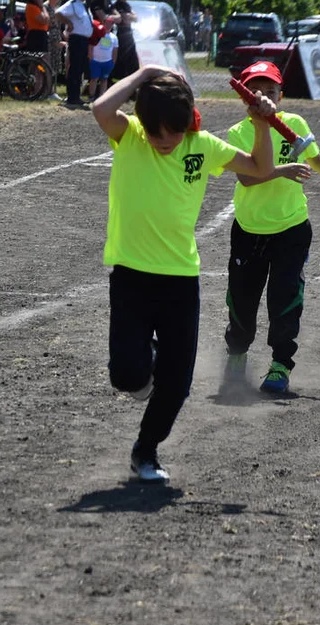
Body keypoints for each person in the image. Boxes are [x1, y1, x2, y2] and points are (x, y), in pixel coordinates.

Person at [90, 64, 281, 483]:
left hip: (180, 280)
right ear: (144, 123)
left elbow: (260, 169)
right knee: (127, 375)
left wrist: (262, 123)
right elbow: (100, 108)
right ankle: (149, 362)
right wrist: (143, 75)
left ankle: (146, 450)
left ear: (188, 123)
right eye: (157, 133)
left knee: (177, 385)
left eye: (173, 134)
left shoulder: (201, 144)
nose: (165, 142)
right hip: (131, 277)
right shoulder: (131, 136)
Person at [221, 60, 320, 394]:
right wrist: (282, 170)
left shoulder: (294, 123)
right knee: (241, 301)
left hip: (291, 230)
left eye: (271, 90)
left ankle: (280, 365)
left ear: (280, 95)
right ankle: (237, 356)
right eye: (256, 91)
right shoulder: (238, 132)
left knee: (285, 299)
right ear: (246, 98)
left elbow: (314, 158)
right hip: (250, 230)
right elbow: (246, 176)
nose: (264, 96)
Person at [54, 0, 94, 107]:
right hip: (76, 39)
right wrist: (69, 23)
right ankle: (72, 97)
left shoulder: (83, 5)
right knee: (75, 68)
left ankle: (76, 95)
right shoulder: (72, 3)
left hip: (84, 40)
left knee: (80, 68)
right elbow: (58, 13)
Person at [111, 0, 138, 80]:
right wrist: (130, 17)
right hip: (121, 34)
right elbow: (125, 19)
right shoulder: (117, 5)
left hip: (129, 35)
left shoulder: (127, 5)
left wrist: (130, 17)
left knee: (132, 61)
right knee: (122, 60)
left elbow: (136, 18)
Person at [88, 11, 117, 101]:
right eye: (107, 23)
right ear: (103, 23)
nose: (109, 25)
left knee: (104, 80)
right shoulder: (97, 33)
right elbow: (91, 46)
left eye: (111, 23)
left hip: (107, 62)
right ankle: (91, 97)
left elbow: (115, 50)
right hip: (95, 60)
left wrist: (113, 62)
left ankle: (102, 98)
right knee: (94, 79)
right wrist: (90, 57)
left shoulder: (114, 37)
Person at [45, 0, 65, 101]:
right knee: (49, 64)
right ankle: (48, 90)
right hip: (49, 38)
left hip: (57, 36)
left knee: (56, 64)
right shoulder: (46, 7)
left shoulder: (56, 8)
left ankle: (53, 90)